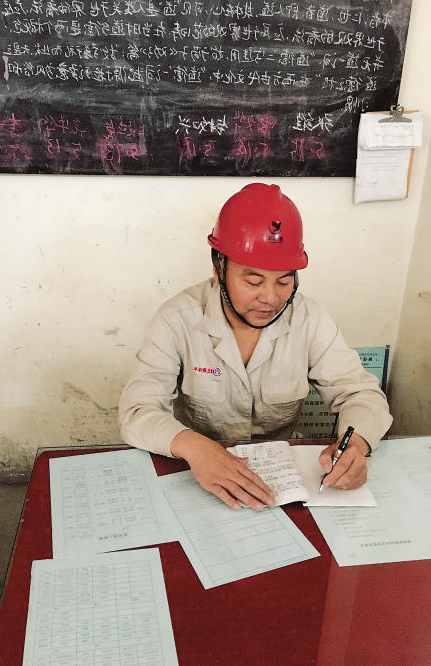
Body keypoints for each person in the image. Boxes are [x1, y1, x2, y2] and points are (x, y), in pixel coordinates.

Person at [119, 183, 392, 511]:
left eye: (284, 280)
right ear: (219, 267)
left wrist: (356, 445)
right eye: (253, 280)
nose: (270, 298)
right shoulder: (177, 319)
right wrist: (194, 447)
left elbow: (360, 394)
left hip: (284, 482)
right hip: (199, 476)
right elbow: (137, 411)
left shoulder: (309, 319)